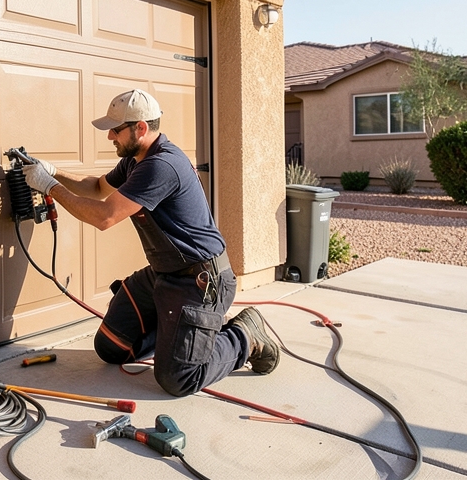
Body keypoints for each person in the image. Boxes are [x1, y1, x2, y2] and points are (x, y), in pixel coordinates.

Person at [20, 89, 279, 396]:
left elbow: (104, 217)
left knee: (177, 379)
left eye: (115, 130)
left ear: (140, 128)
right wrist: (52, 172)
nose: (110, 137)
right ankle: (186, 334)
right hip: (164, 274)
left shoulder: (162, 166)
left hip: (201, 281)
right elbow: (98, 188)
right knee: (111, 347)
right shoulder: (137, 161)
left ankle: (244, 334)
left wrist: (49, 187)